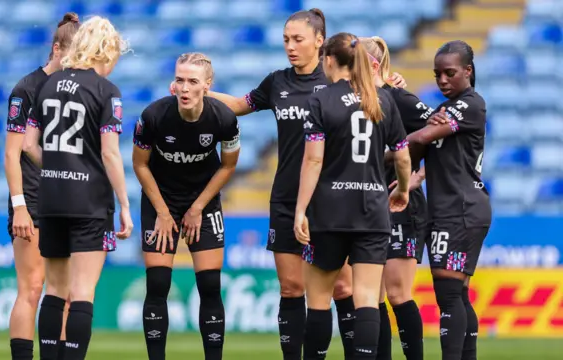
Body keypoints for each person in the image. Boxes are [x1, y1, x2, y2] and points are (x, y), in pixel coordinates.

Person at [177, 9, 406, 359]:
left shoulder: (336, 82)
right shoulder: (277, 83)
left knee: (343, 288)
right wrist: (202, 89)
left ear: (320, 41)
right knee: (291, 287)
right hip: (286, 198)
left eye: (298, 39)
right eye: (286, 40)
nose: (290, 46)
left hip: (329, 201)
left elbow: (376, 102)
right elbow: (240, 105)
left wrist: (393, 84)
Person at [294, 33, 412, 360]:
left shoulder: (320, 100)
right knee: (367, 298)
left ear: (328, 59)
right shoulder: (382, 100)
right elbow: (403, 158)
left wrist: (301, 209)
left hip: (329, 211)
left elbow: (314, 159)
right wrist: (402, 190)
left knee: (318, 300)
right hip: (373, 210)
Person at [22, 15, 133, 360]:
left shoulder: (47, 85)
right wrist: (125, 205)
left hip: (51, 199)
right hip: (90, 202)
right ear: (106, 50)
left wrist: (56, 167)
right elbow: (110, 153)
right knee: (82, 291)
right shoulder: (106, 92)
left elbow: (28, 145)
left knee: (53, 290)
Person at [133, 52, 241, 360]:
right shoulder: (152, 116)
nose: (184, 88)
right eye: (179, 80)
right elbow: (140, 165)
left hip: (203, 202)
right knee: (158, 283)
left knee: (209, 285)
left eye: (192, 81)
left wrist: (197, 208)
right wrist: (164, 213)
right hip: (159, 201)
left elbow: (228, 167)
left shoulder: (224, 119)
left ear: (207, 85)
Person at [403, 40, 491, 360]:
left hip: (461, 208)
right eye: (437, 74)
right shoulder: (443, 110)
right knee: (458, 294)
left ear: (468, 71)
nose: (442, 80)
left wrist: (381, 158)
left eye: (449, 73)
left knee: (449, 294)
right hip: (449, 208)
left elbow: (421, 138)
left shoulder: (471, 103)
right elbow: (421, 144)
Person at [3, 12, 79, 360]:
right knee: (32, 288)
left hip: (65, 199)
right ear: (56, 48)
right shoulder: (26, 88)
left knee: (63, 293)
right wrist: (18, 203)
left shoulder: (74, 89)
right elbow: (12, 152)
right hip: (32, 200)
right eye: (72, 55)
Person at [359, 36, 432, 360]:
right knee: (371, 298)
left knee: (398, 294)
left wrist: (417, 176)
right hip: (367, 205)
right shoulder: (351, 100)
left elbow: (443, 132)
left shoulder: (398, 97)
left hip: (401, 205)